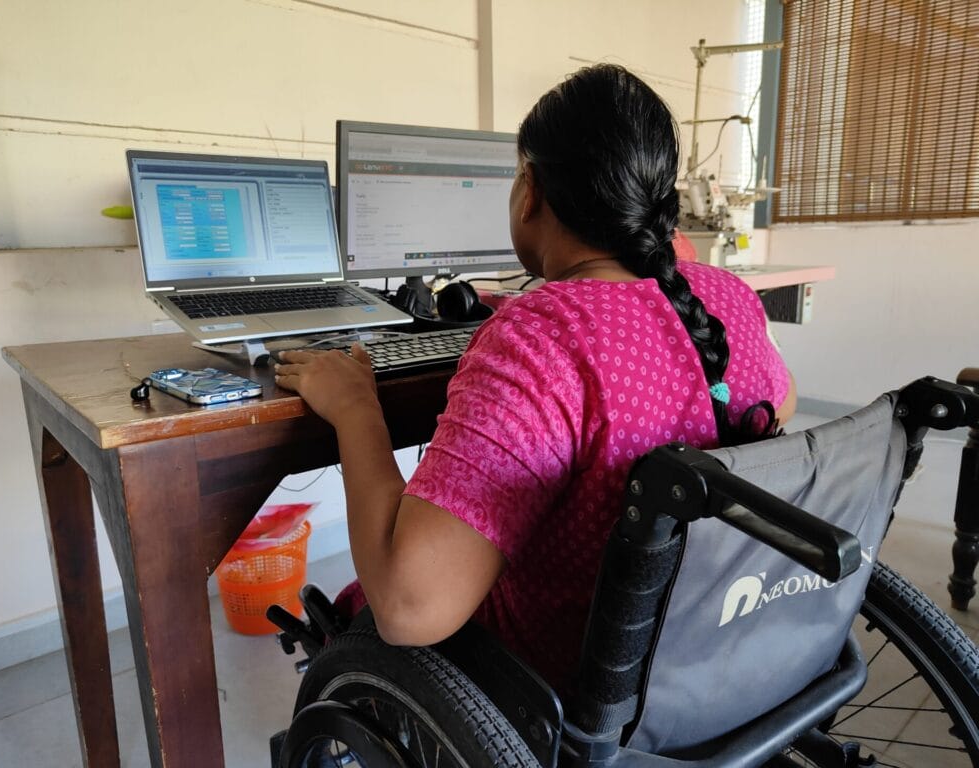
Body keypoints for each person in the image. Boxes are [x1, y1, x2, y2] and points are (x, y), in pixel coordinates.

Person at [274, 64, 795, 693]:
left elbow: (409, 608)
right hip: (709, 648)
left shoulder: (543, 335)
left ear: (532, 191)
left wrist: (358, 410)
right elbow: (782, 402)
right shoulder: (729, 297)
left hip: (559, 681)